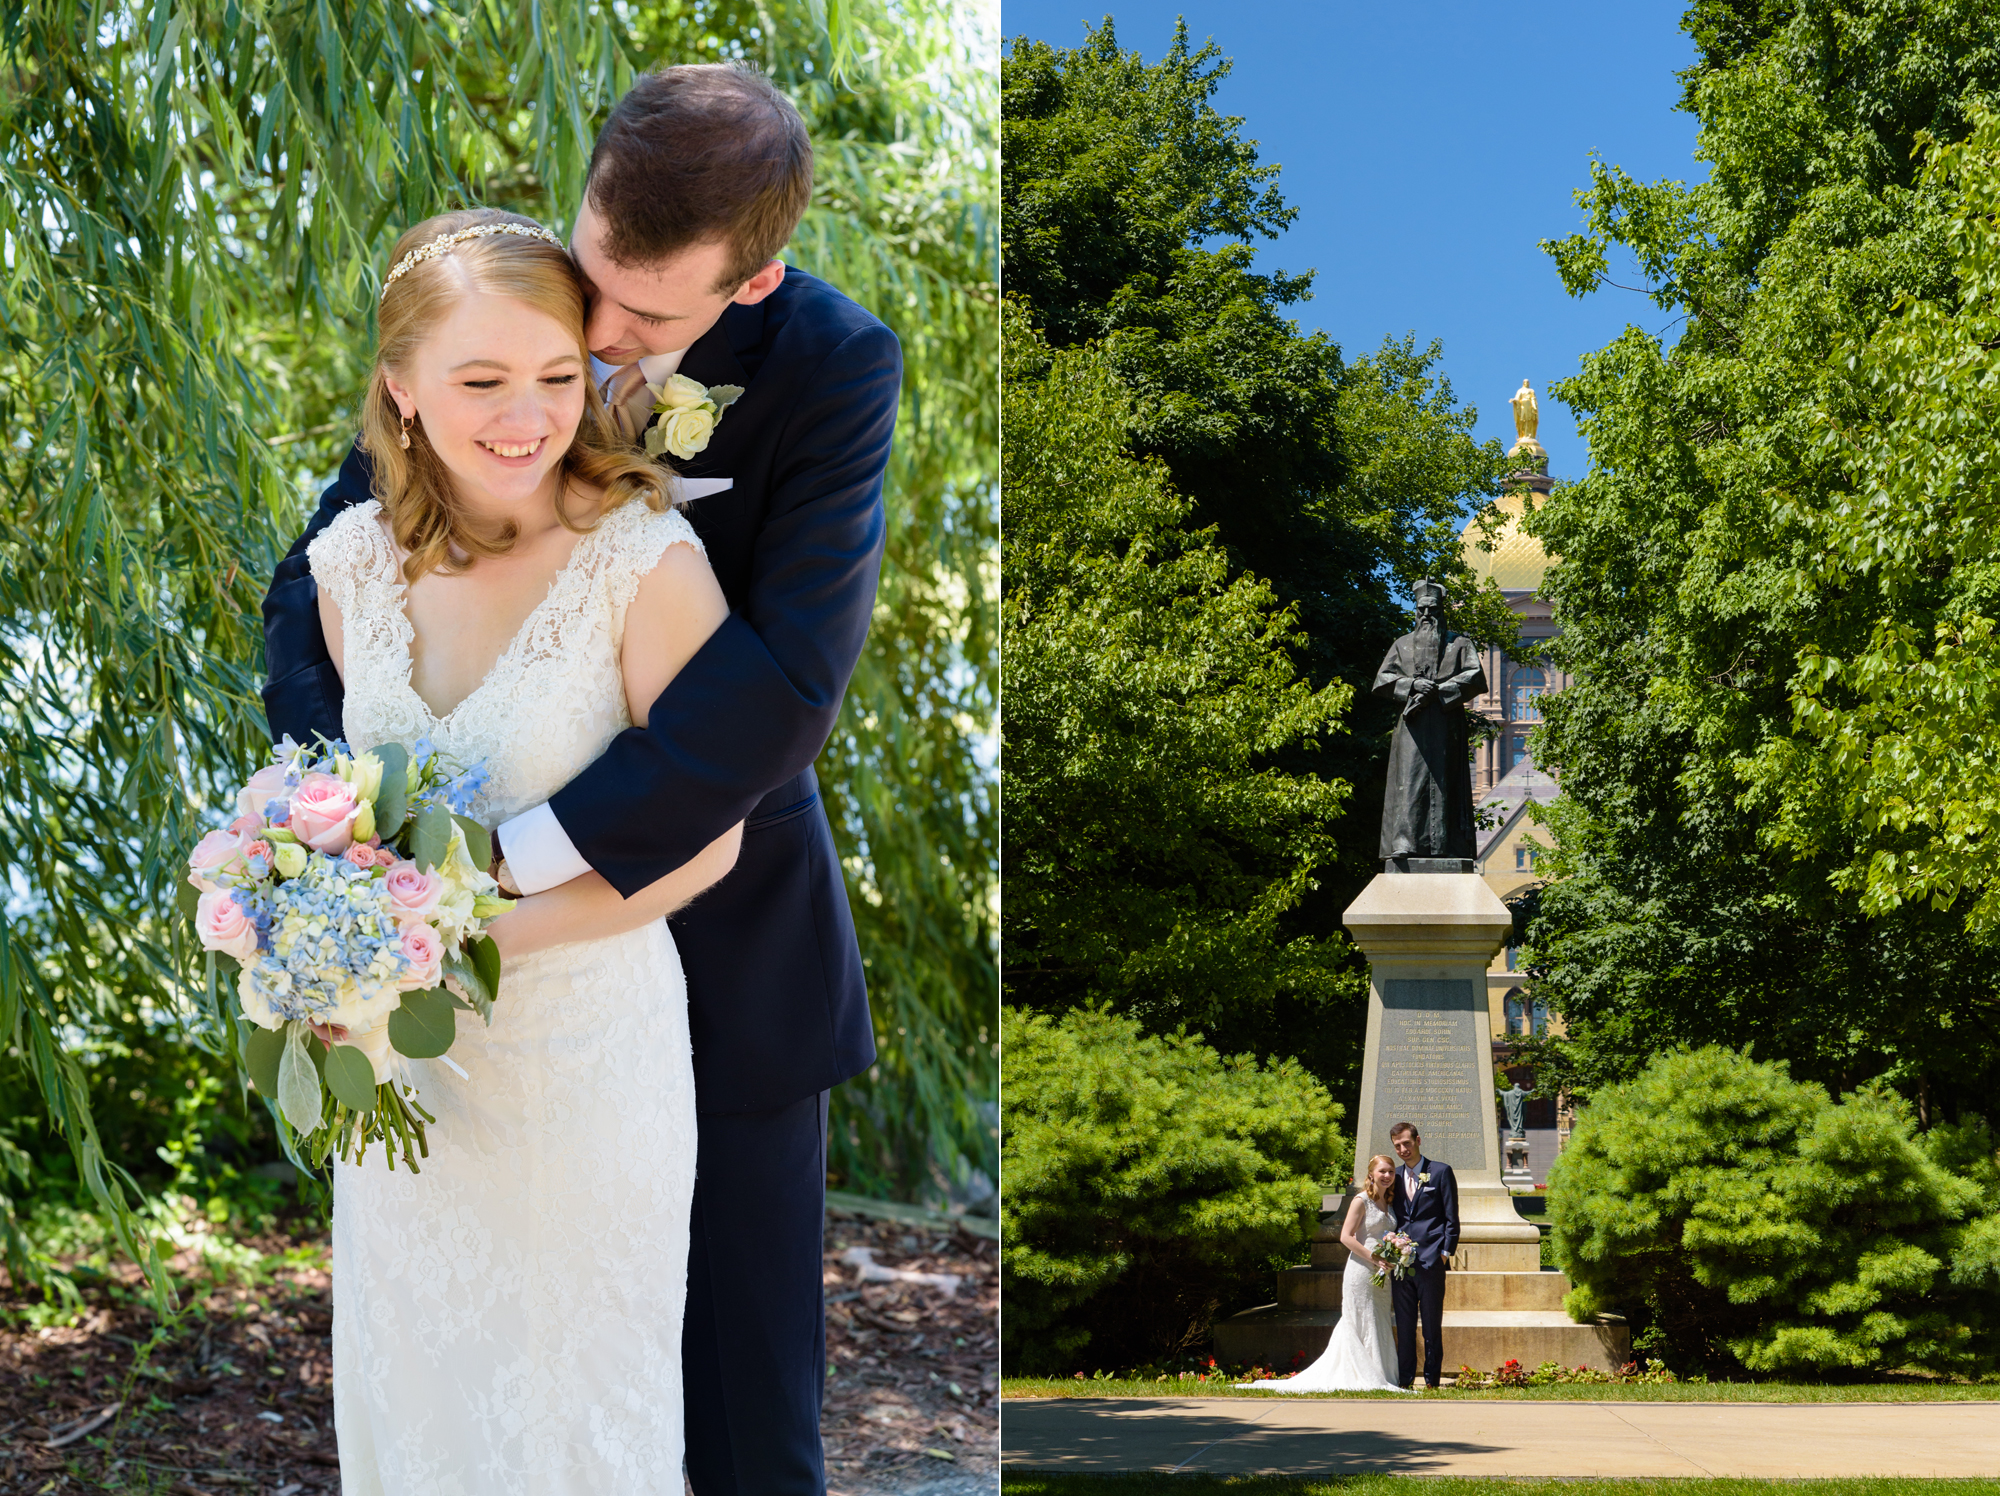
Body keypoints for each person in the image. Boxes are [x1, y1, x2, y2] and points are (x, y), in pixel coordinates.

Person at [262, 66, 901, 1495]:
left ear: (756, 280)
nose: (596, 342)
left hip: (721, 950)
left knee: (735, 1424)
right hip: (456, 1025)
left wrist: (502, 862)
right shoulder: (508, 308)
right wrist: (341, 837)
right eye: (593, 274)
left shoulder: (836, 365)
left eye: (646, 320)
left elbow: (788, 687)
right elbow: (318, 582)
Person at [311, 206, 736, 1489]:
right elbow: (348, 814)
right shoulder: (346, 570)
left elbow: (704, 845)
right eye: (480, 379)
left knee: (569, 1417)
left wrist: (451, 944)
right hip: (404, 1085)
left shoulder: (646, 562)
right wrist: (316, 944)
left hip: (584, 1074)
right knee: (414, 1391)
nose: (525, 414)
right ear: (400, 387)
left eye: (556, 376)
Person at [1238, 1155, 1411, 1393]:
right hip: (1361, 1271)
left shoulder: (1388, 1203)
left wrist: (1392, 1255)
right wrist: (1374, 1258)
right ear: (1371, 1174)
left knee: (1378, 1319)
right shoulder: (1361, 1200)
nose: (1387, 1176)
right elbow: (1345, 1237)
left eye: (1391, 1172)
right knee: (1361, 1318)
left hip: (1381, 1273)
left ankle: (1381, 1374)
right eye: (1382, 1171)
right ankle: (1361, 1374)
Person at [1389, 1122, 1460, 1389]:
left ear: (1418, 1140)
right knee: (1405, 1326)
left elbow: (1452, 1218)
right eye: (1397, 1146)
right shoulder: (1392, 1176)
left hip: (1432, 1262)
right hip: (1401, 1266)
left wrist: (1444, 1254)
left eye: (1407, 1143)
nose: (1403, 1149)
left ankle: (1432, 1381)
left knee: (1431, 1326)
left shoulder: (1440, 1172)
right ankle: (1405, 1380)